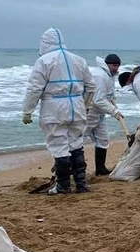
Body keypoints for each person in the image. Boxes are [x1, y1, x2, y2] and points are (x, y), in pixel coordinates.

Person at [22, 28, 96, 195]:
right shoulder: (79, 60)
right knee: (76, 143)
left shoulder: (44, 61)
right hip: (76, 107)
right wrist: (85, 105)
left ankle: (63, 185)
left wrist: (28, 110)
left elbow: (34, 88)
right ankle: (81, 183)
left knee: (58, 145)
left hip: (54, 108)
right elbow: (91, 86)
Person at [84, 53, 126, 176]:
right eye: (114, 65)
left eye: (118, 66)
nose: (116, 68)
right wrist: (114, 111)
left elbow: (108, 95)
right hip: (89, 112)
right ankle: (72, 169)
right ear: (107, 64)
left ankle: (100, 169)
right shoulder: (100, 76)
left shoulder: (109, 76)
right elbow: (98, 100)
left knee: (103, 140)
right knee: (78, 141)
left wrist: (113, 103)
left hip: (100, 113)